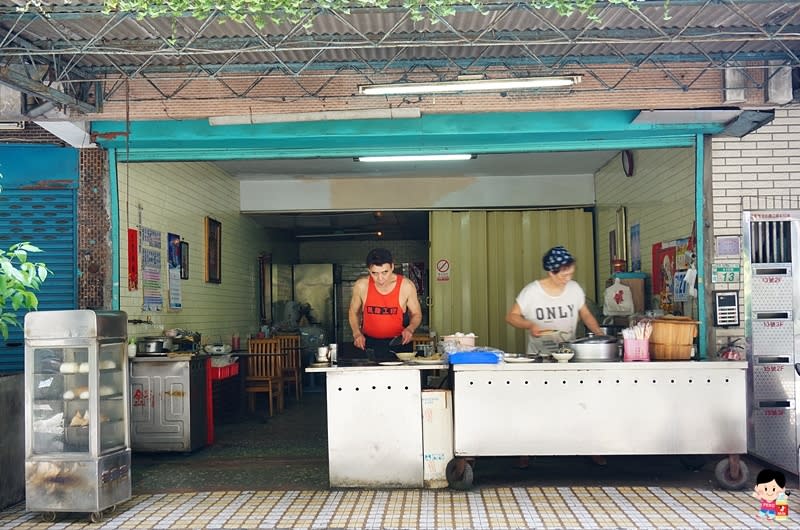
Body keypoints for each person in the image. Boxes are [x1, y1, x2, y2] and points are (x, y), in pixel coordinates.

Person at [505, 245, 605, 468]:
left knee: (578, 403)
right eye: (564, 275)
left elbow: (586, 314)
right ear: (551, 272)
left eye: (571, 274)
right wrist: (530, 324)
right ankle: (525, 451)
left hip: (568, 356)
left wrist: (599, 335)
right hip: (539, 357)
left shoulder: (574, 289)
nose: (568, 278)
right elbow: (511, 317)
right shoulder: (532, 292)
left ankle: (591, 448)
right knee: (535, 405)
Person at [349, 248, 422, 361]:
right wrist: (356, 333)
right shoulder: (361, 285)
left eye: (385, 272)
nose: (380, 278)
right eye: (375, 273)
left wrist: (410, 329)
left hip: (398, 343)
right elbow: (353, 312)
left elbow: (416, 314)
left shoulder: (406, 286)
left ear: (392, 267)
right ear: (368, 270)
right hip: (369, 344)